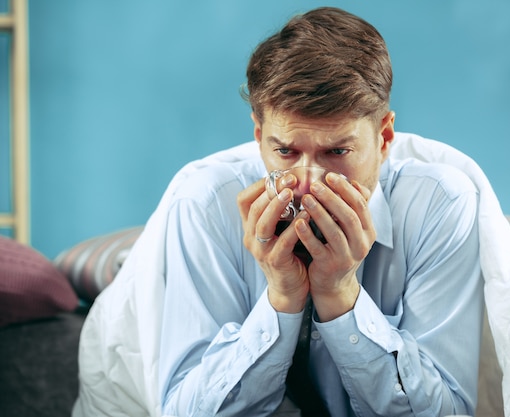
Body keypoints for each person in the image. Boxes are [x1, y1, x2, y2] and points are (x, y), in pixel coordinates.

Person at [156, 6, 483, 417]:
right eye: (285, 151)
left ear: (384, 138)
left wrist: (342, 295)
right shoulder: (205, 203)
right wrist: (280, 298)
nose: (308, 183)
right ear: (259, 137)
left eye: (337, 152)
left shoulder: (439, 204)